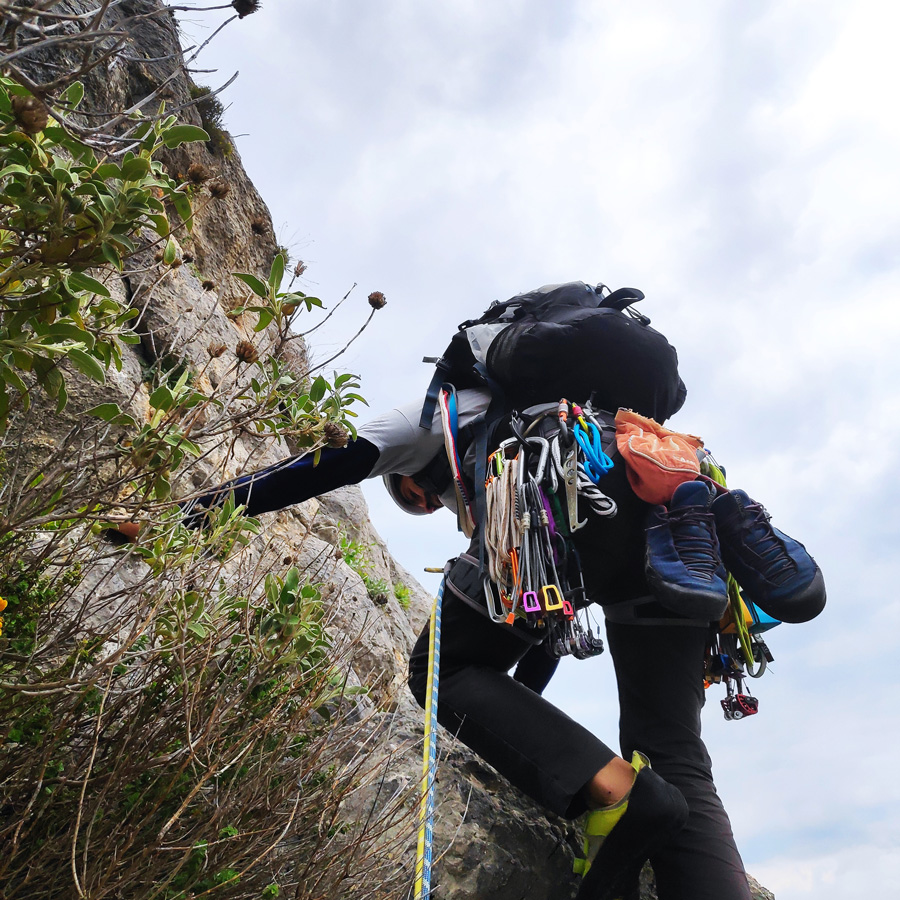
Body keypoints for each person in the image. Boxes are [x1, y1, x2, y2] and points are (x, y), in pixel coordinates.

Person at [160, 284, 824, 900]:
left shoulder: (435, 412)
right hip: (673, 515)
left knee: (441, 671)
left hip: (563, 491)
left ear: (408, 475)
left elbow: (315, 470)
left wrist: (186, 514)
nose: (433, 506)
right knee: (676, 754)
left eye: (416, 499)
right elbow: (542, 628)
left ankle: (625, 799)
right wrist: (523, 737)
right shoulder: (593, 404)